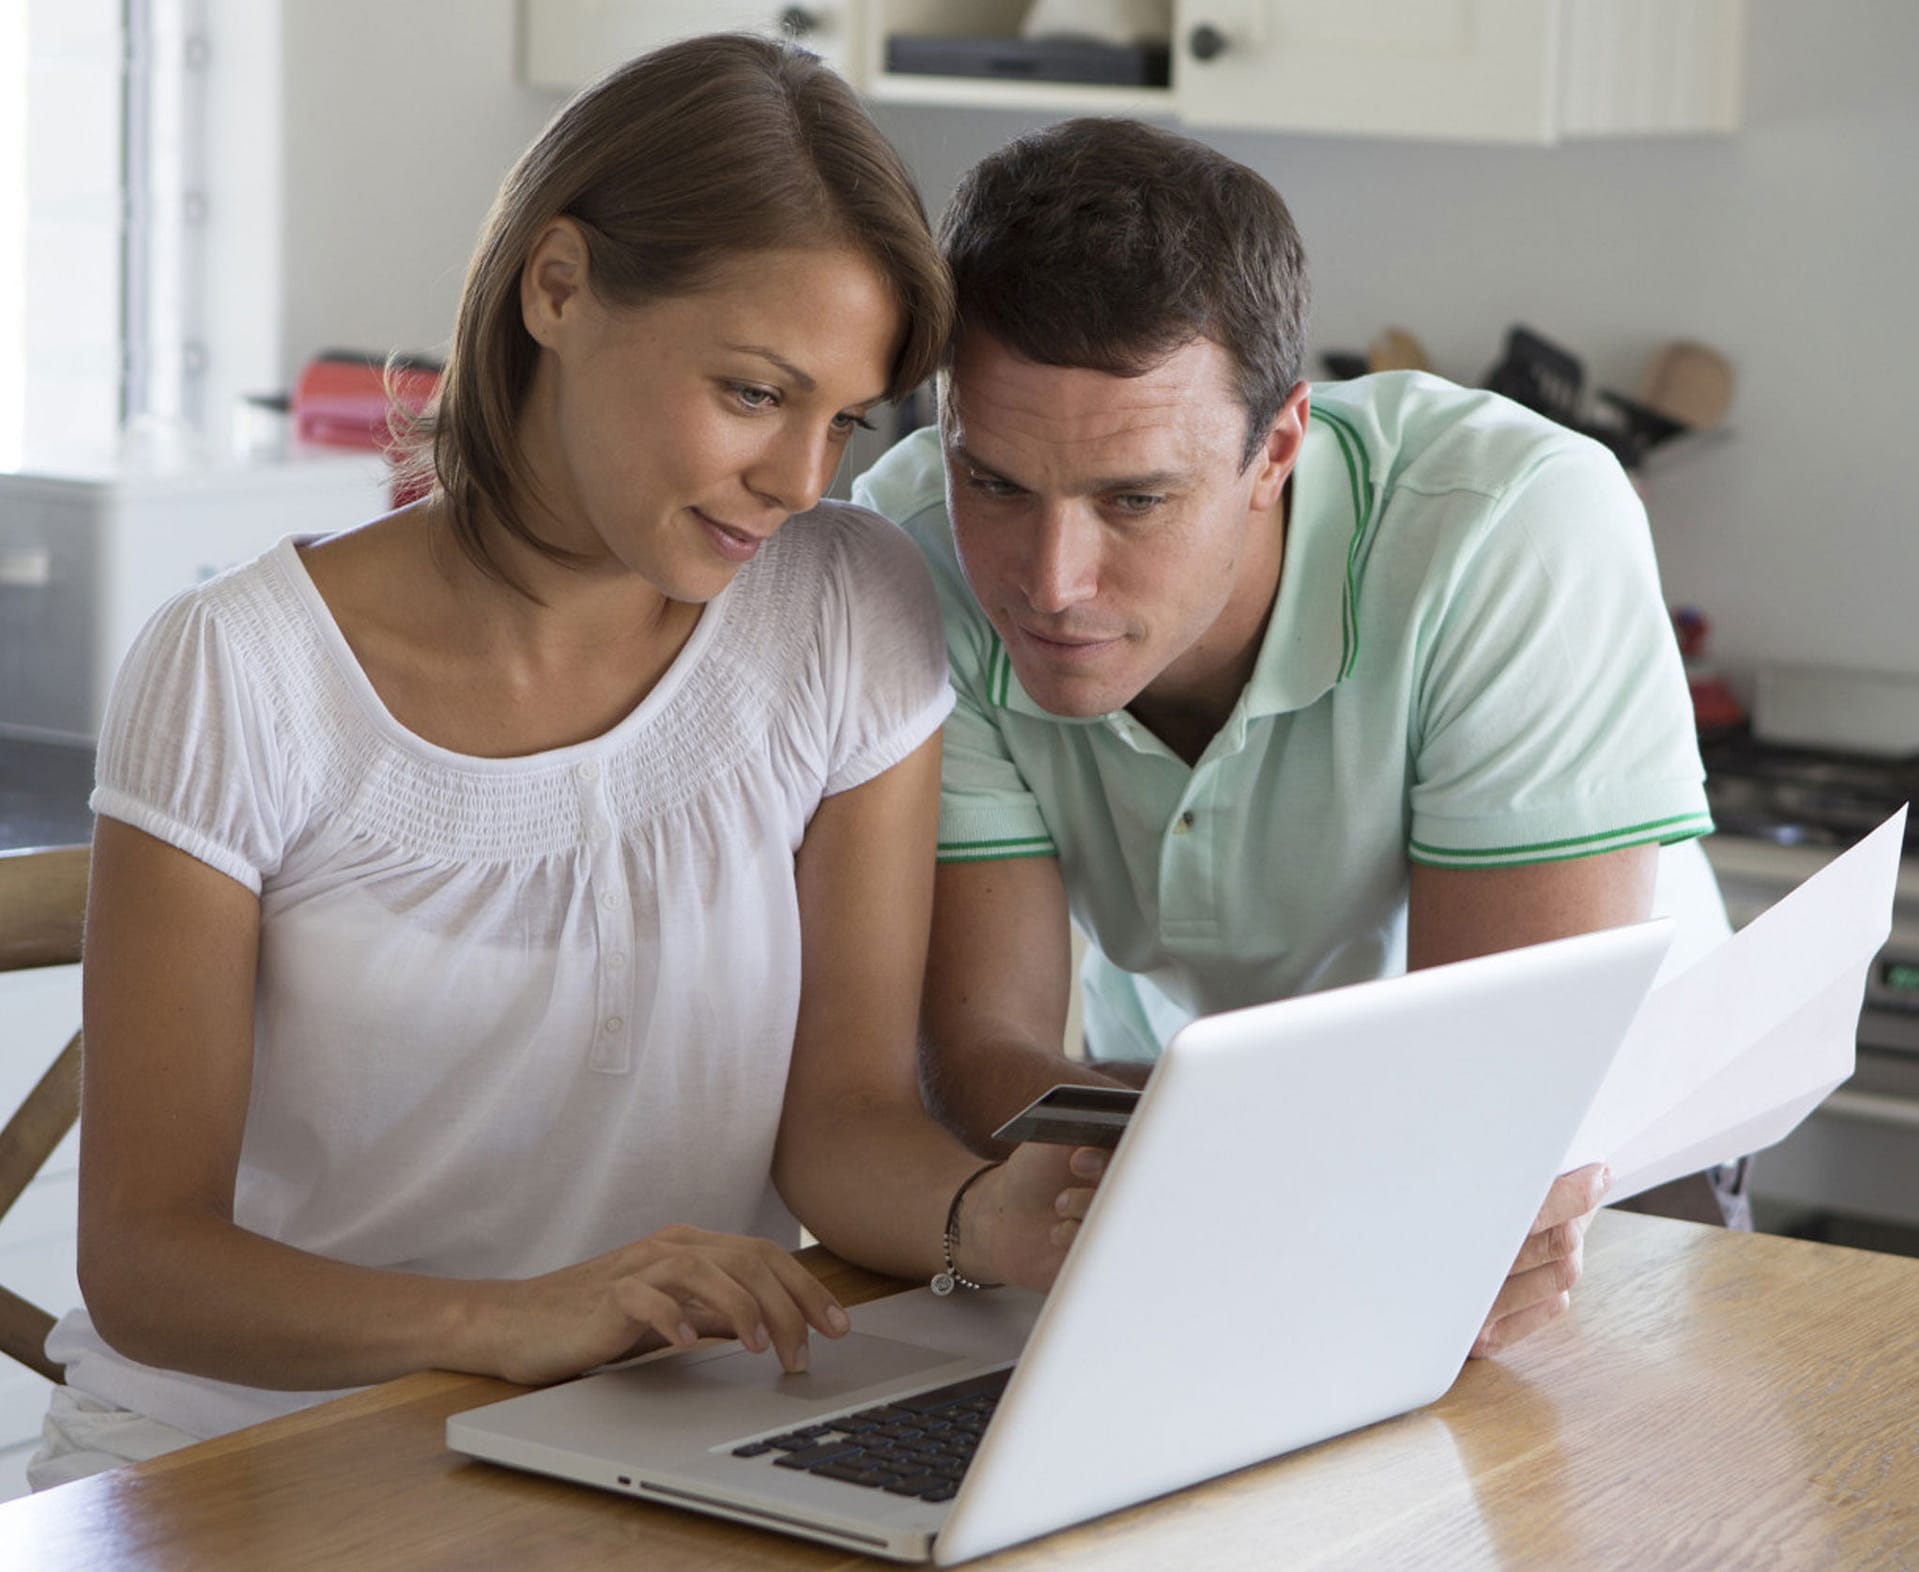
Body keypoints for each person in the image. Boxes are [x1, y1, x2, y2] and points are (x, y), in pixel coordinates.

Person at [30, 36, 1084, 1489]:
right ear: (558, 287)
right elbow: (149, 1265)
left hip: (620, 1448)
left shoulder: (844, 610)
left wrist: (987, 1218)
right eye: (752, 393)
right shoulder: (238, 671)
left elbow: (840, 1120)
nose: (801, 480)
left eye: (842, 421)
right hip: (228, 1461)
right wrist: (508, 1320)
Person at [853, 117, 1724, 1358]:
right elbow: (988, 1059)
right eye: (993, 481)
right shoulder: (908, 554)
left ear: (1274, 449)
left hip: (1592, 1154)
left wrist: (1223, 1168)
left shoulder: (1510, 527)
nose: (1048, 582)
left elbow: (1488, 1092)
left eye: (1133, 498)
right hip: (1222, 1134)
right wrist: (1225, 1172)